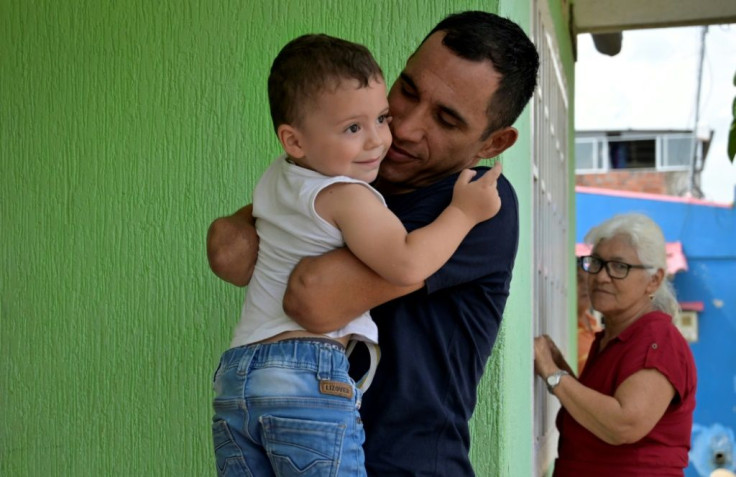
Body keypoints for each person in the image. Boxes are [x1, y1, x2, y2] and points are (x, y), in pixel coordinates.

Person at [208, 11, 540, 475]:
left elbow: (313, 298)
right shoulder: (351, 175)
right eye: (407, 91)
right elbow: (229, 249)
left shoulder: (478, 204)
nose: (403, 129)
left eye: (445, 119)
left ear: (493, 142)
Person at [534, 213, 697, 476]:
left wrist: (554, 376)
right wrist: (560, 369)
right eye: (596, 263)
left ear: (654, 280)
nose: (601, 277)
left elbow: (624, 424)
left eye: (619, 267)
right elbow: (597, 414)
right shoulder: (615, 336)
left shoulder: (657, 340)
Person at [576, 259, 601, 372]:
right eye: (579, 280)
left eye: (588, 280)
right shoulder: (564, 328)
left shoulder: (593, 322)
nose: (585, 286)